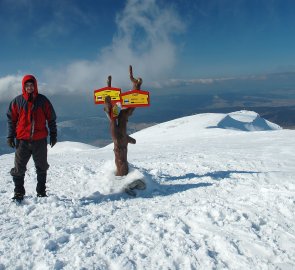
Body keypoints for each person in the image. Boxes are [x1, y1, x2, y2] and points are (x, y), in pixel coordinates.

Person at [7, 74, 57, 201]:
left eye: (31, 85)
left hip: (39, 140)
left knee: (41, 166)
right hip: (22, 140)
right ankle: (18, 192)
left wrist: (53, 134)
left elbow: (51, 118)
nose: (29, 87)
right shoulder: (17, 101)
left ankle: (41, 192)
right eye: (27, 85)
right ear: (24, 87)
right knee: (19, 167)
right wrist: (10, 136)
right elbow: (11, 120)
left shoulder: (43, 101)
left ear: (35, 86)